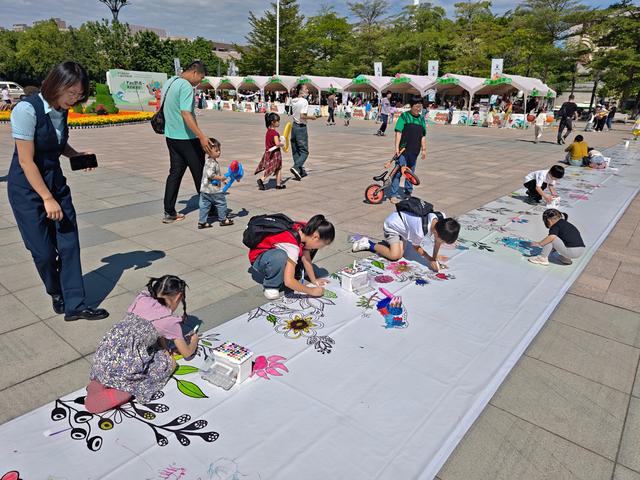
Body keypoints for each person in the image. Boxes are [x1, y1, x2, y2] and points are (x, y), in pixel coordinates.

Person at [8, 61, 109, 322]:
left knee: (68, 244)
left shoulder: (60, 109)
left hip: (55, 183)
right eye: (72, 94)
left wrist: (76, 154)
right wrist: (46, 198)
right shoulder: (26, 110)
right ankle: (55, 290)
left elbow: (56, 143)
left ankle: (76, 304)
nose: (75, 100)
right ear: (57, 85)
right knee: (42, 252)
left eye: (79, 95)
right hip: (27, 189)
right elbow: (25, 161)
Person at [85, 275, 199, 413]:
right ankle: (122, 391)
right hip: (128, 365)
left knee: (154, 353)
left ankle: (99, 381)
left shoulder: (142, 298)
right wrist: (194, 340)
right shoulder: (169, 320)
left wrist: (164, 348)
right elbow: (187, 353)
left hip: (105, 353)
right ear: (178, 297)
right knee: (169, 364)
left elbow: (155, 332)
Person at [161, 61, 213, 224]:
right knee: (200, 174)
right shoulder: (185, 87)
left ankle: (169, 211)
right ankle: (210, 209)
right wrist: (201, 136)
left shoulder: (170, 82)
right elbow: (186, 114)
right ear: (195, 73)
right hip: (187, 138)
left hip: (171, 136)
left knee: (175, 173)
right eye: (201, 78)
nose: (200, 82)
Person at [351, 204, 460, 273]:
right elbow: (416, 247)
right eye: (443, 241)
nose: (441, 243)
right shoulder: (419, 231)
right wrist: (429, 259)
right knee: (395, 255)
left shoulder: (442, 218)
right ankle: (369, 244)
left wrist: (434, 259)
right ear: (436, 233)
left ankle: (391, 244)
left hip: (405, 227)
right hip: (392, 225)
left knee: (400, 252)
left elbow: (438, 241)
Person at [249, 214, 335, 299]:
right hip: (259, 258)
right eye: (322, 245)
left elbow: (306, 259)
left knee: (294, 256)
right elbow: (289, 282)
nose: (320, 248)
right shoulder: (292, 246)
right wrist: (311, 291)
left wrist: (314, 280)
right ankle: (271, 285)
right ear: (316, 237)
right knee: (280, 256)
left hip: (272, 253)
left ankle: (284, 270)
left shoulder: (306, 230)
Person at [389, 95, 427, 203]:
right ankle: (394, 194)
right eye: (416, 106)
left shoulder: (421, 119)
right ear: (411, 106)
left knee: (410, 173)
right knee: (398, 172)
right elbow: (398, 132)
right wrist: (396, 147)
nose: (418, 108)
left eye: (420, 106)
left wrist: (424, 149)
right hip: (403, 150)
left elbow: (423, 135)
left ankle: (408, 193)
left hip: (414, 150)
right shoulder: (404, 116)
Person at [198, 138, 234, 229]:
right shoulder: (212, 162)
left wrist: (222, 180)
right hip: (213, 190)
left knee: (204, 206)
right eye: (216, 150)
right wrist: (221, 178)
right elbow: (211, 175)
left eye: (219, 150)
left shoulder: (209, 161)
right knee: (221, 203)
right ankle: (223, 219)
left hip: (204, 189)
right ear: (208, 151)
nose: (219, 152)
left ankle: (202, 222)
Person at [289, 83, 317, 181]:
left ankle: (300, 171)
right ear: (300, 91)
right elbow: (303, 116)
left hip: (294, 126)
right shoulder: (304, 101)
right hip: (301, 127)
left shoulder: (293, 100)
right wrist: (312, 117)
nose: (307, 91)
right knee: (304, 151)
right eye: (306, 89)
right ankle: (296, 167)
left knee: (295, 149)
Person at [256, 112, 286, 190]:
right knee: (273, 168)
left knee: (277, 169)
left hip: (269, 152)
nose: (279, 123)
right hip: (275, 153)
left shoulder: (268, 131)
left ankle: (278, 184)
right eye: (278, 121)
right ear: (273, 122)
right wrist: (282, 143)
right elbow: (277, 143)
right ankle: (261, 180)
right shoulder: (275, 133)